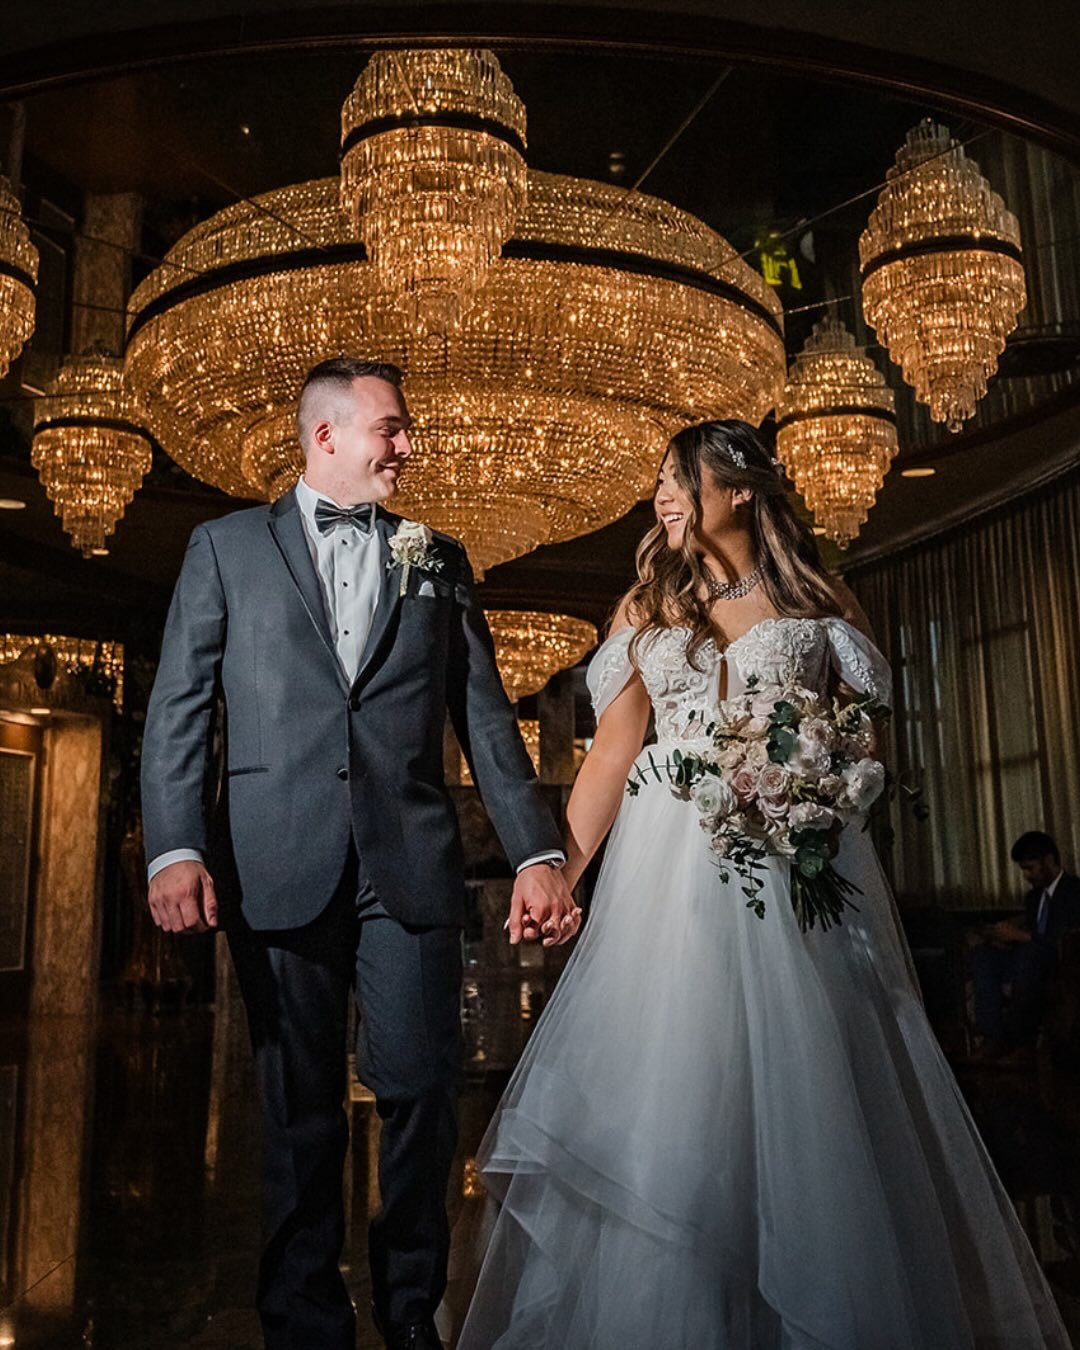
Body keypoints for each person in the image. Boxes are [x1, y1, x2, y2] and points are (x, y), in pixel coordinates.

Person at [459, 420, 1069, 1349]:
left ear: (737, 490)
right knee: (673, 1088)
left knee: (807, 1090)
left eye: (676, 479)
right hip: (665, 890)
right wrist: (555, 873)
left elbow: (864, 744)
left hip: (792, 882)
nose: (661, 497)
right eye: (659, 483)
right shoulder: (644, 609)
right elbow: (613, 758)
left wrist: (814, 782)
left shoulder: (817, 602)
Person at [140, 357, 579, 1350]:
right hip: (272, 858)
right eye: (392, 428)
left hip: (410, 865)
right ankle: (302, 1319)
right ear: (326, 436)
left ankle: (411, 1310)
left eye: (406, 428)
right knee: (298, 1107)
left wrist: (536, 854)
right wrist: (174, 846)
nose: (407, 446)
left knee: (422, 1088)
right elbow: (178, 711)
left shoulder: (435, 555)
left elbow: (483, 716)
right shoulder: (224, 549)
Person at [972, 831, 1080, 1063]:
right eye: (1023, 869)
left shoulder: (1073, 892)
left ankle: (1023, 1043)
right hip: (1027, 958)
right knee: (983, 956)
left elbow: (1066, 940)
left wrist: (1022, 936)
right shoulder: (1034, 898)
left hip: (1060, 962)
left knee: (1028, 955)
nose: (1027, 875)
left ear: (1049, 861)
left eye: (1030, 868)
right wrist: (1003, 938)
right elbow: (1028, 934)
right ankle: (992, 1039)